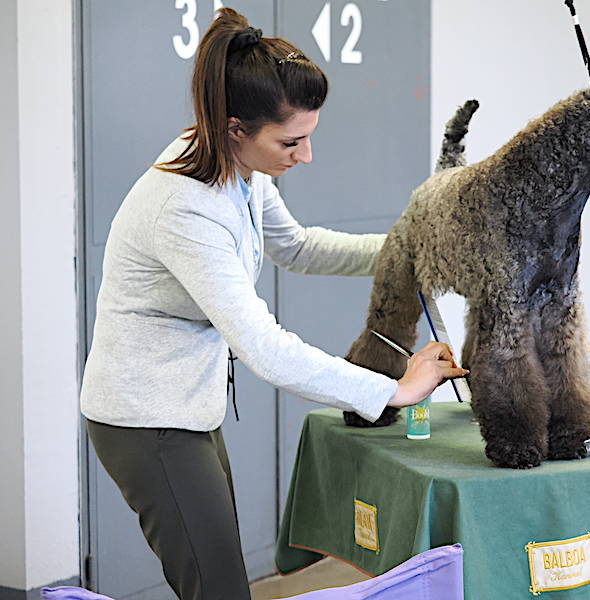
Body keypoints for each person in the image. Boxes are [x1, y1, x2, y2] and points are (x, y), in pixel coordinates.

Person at [79, 8, 467, 600]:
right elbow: (264, 347)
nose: (305, 155)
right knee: (220, 590)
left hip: (189, 406)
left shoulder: (234, 165)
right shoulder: (186, 207)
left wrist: (409, 246)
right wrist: (395, 390)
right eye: (292, 141)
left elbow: (297, 245)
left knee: (217, 581)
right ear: (237, 128)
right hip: (147, 420)